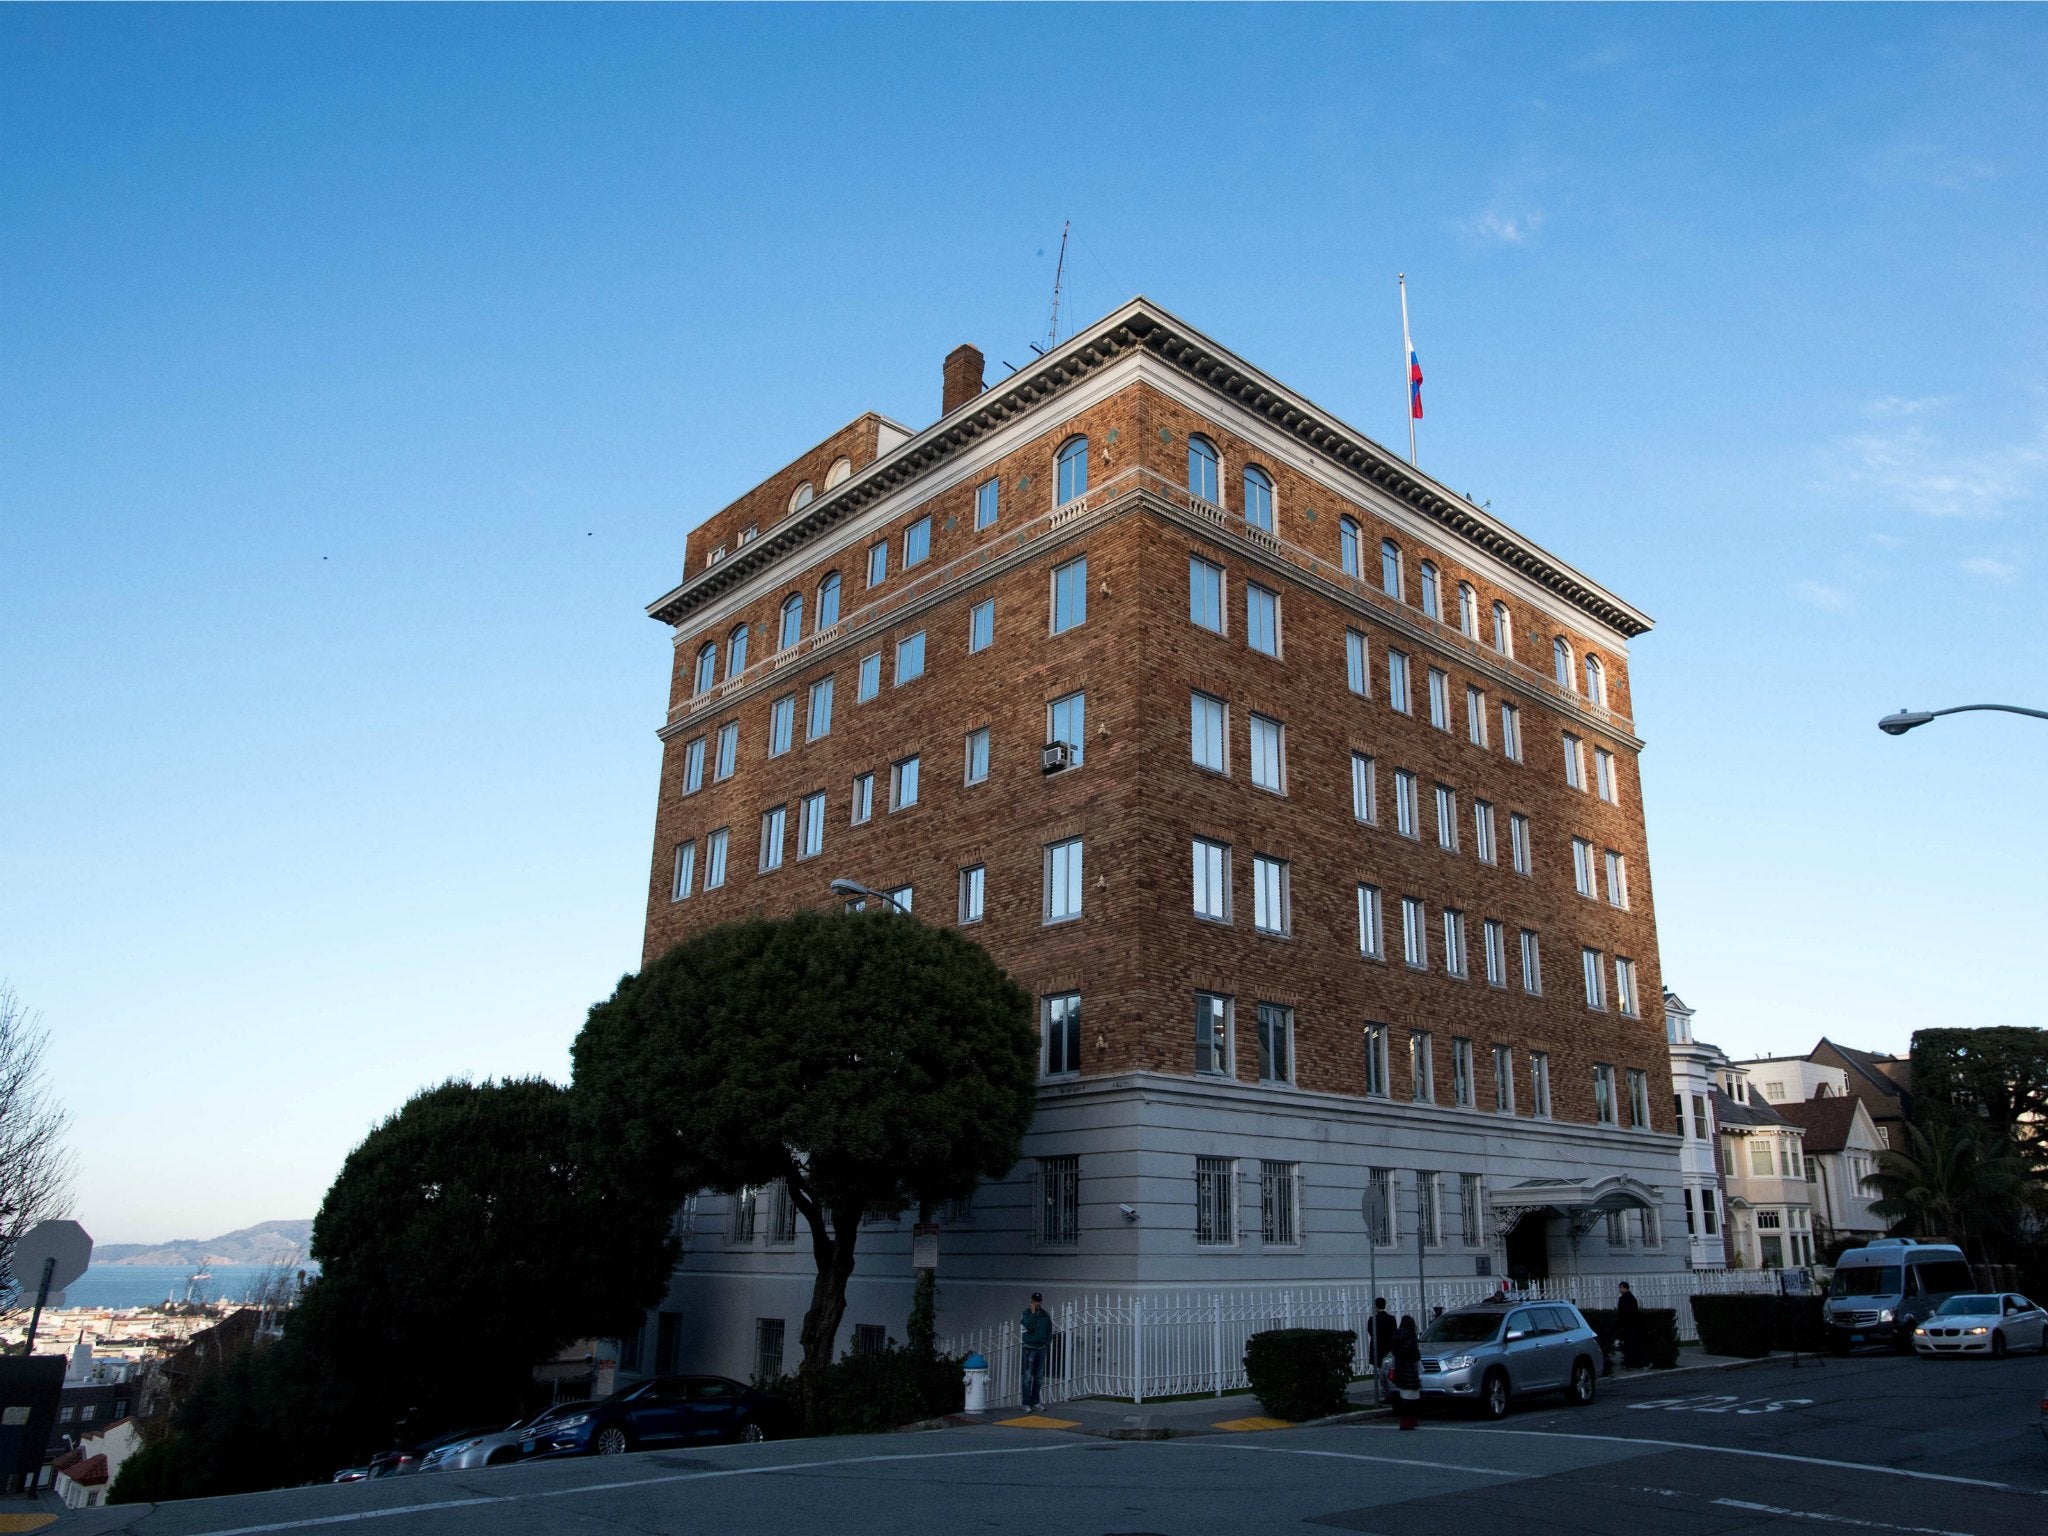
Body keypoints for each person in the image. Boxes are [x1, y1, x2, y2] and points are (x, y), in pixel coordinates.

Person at [1019, 1292, 1053, 1412]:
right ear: (1031, 1301)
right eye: (1035, 1301)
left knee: (1038, 1377)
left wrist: (1046, 1343)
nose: (1037, 1303)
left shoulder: (1045, 1315)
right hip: (1029, 1348)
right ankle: (1026, 1403)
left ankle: (1035, 1402)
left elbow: (1049, 1329)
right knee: (1027, 1377)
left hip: (1041, 1348)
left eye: (1039, 1301)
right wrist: (1033, 1313)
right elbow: (1029, 1327)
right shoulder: (1026, 1314)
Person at [1391, 1315, 1423, 1430]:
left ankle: (1408, 1419)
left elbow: (1395, 1351)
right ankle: (1406, 1421)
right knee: (1411, 1397)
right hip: (1409, 1368)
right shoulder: (1410, 1337)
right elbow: (1415, 1354)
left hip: (1400, 1367)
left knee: (1404, 1395)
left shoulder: (1396, 1336)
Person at [1366, 1298, 1396, 1403]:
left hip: (1378, 1348)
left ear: (1376, 1306)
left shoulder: (1372, 1319)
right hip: (1388, 1348)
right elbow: (1394, 1333)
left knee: (1381, 1372)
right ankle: (1391, 1391)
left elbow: (1371, 1332)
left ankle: (1386, 1392)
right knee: (1388, 1371)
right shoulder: (1391, 1319)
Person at [1616, 1280, 1643, 1370]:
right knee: (1630, 1344)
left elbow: (1623, 1313)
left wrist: (1622, 1324)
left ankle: (1630, 1362)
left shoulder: (1626, 1299)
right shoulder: (1631, 1298)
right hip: (1631, 1325)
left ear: (1624, 1288)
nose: (1620, 1289)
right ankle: (1630, 1362)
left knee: (1629, 1344)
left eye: (1621, 1287)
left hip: (1628, 1325)